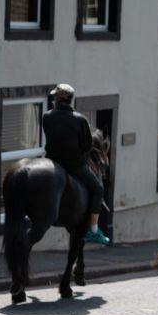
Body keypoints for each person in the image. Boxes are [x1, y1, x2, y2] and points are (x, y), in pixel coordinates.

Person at [41, 83, 110, 245]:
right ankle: (93, 231)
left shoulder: (47, 116)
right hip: (73, 165)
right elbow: (87, 146)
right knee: (98, 189)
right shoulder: (80, 120)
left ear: (56, 99)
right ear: (71, 100)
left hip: (51, 162)